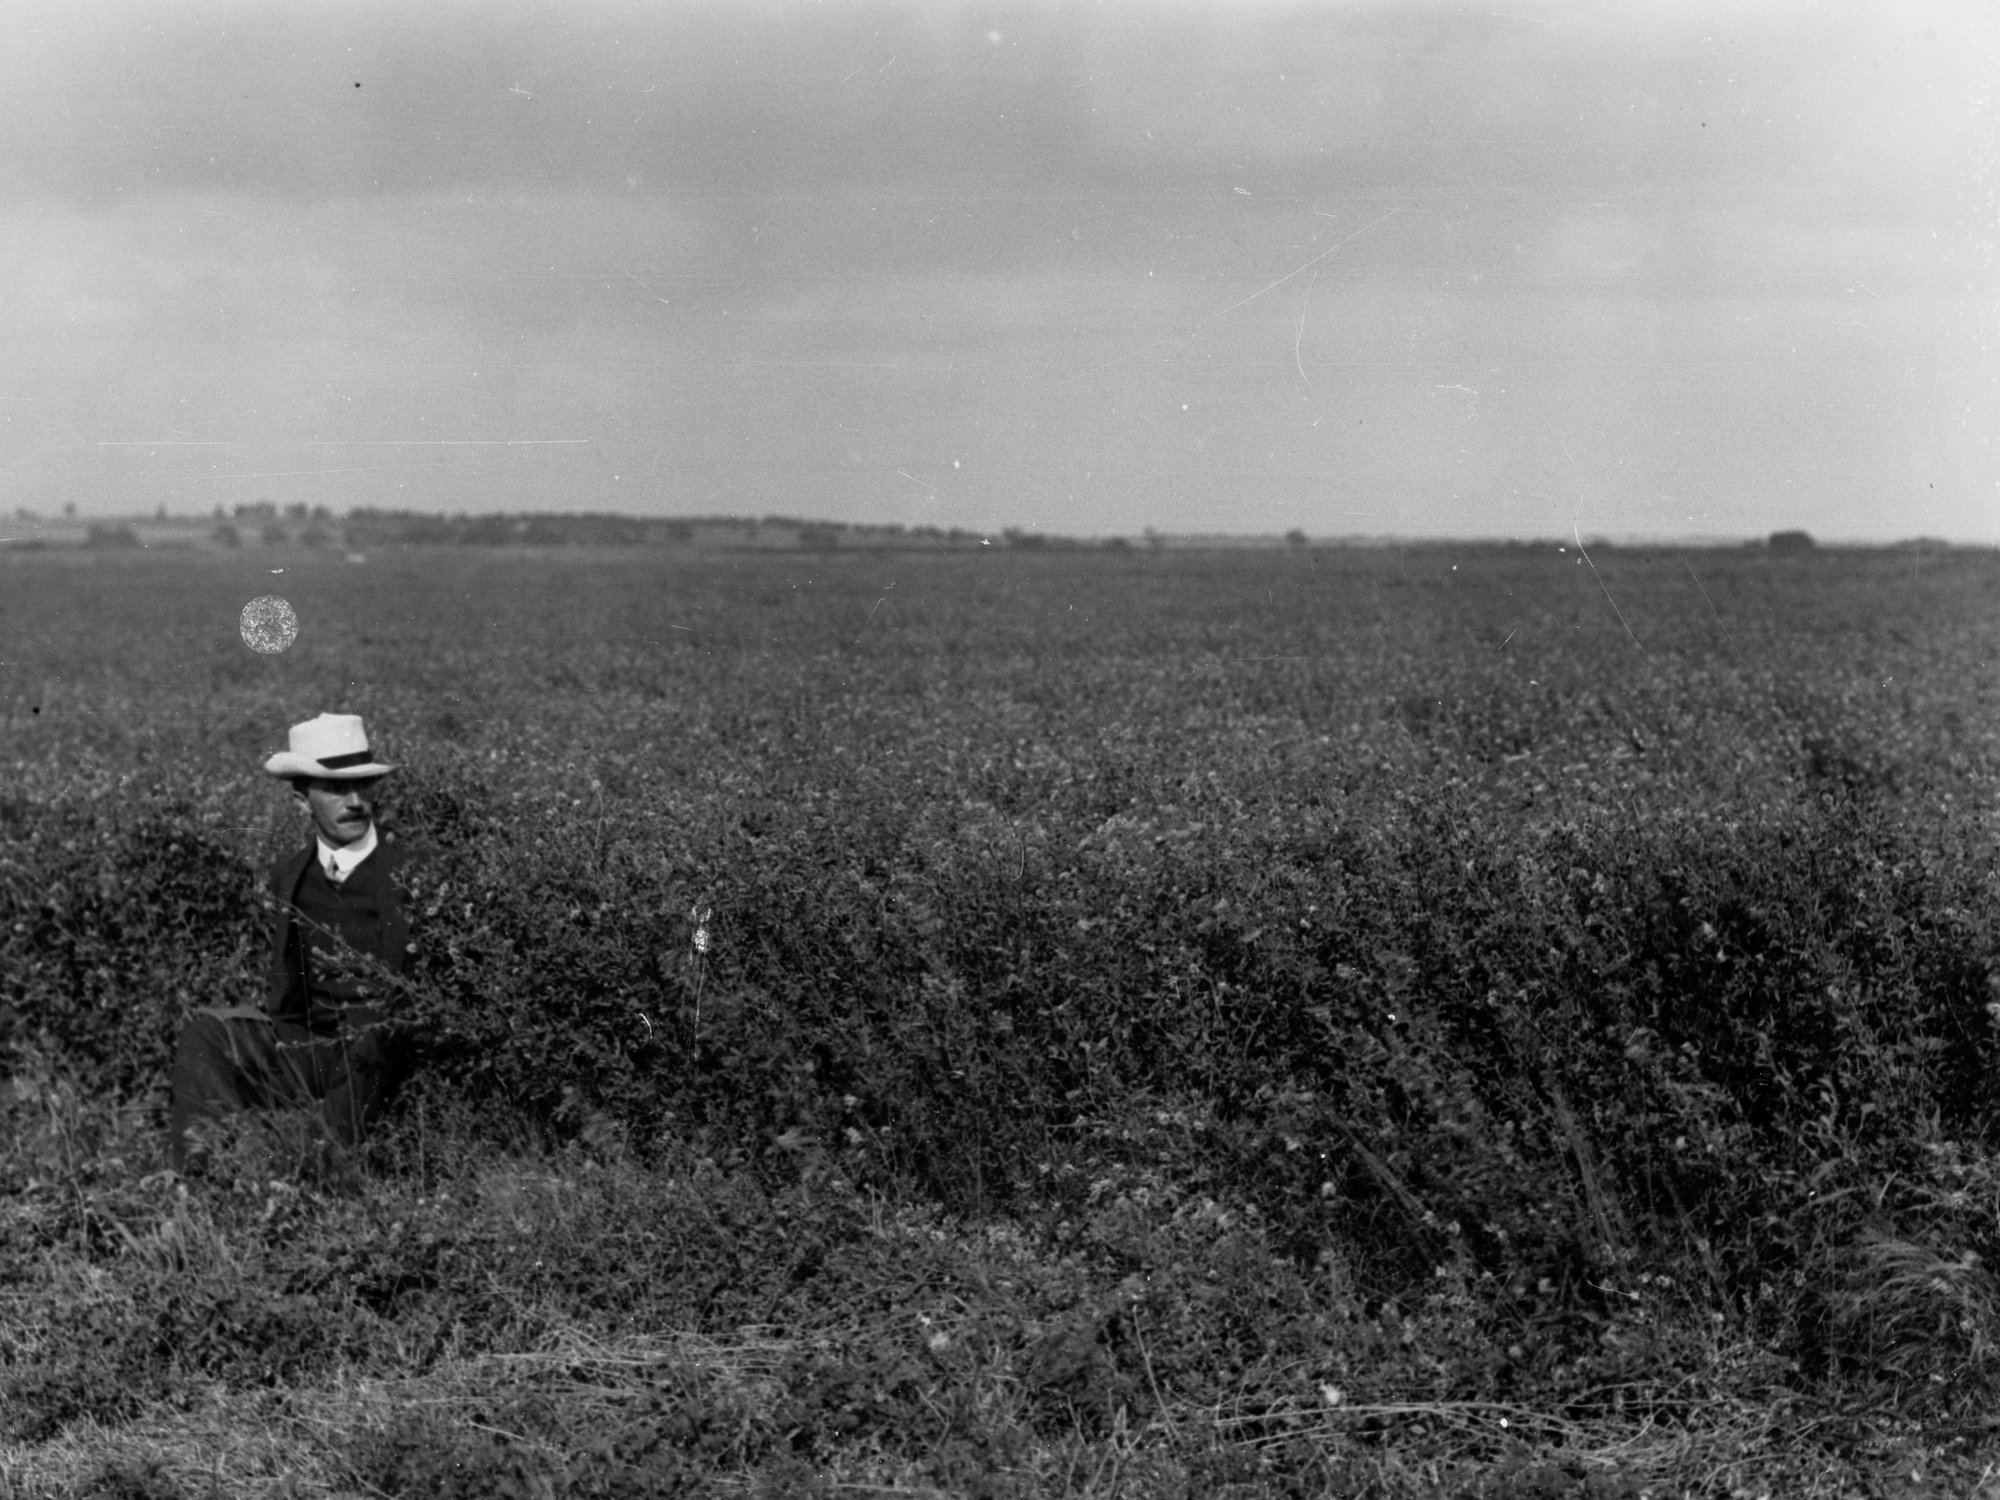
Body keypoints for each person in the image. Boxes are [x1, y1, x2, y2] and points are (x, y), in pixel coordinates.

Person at [167, 712, 419, 1176]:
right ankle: (204, 1177)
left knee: (373, 1021)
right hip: (312, 1046)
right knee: (207, 1033)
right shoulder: (290, 873)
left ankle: (326, 1174)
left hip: (385, 1047)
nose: (355, 801)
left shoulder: (412, 870)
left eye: (363, 787)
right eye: (336, 789)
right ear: (302, 798)